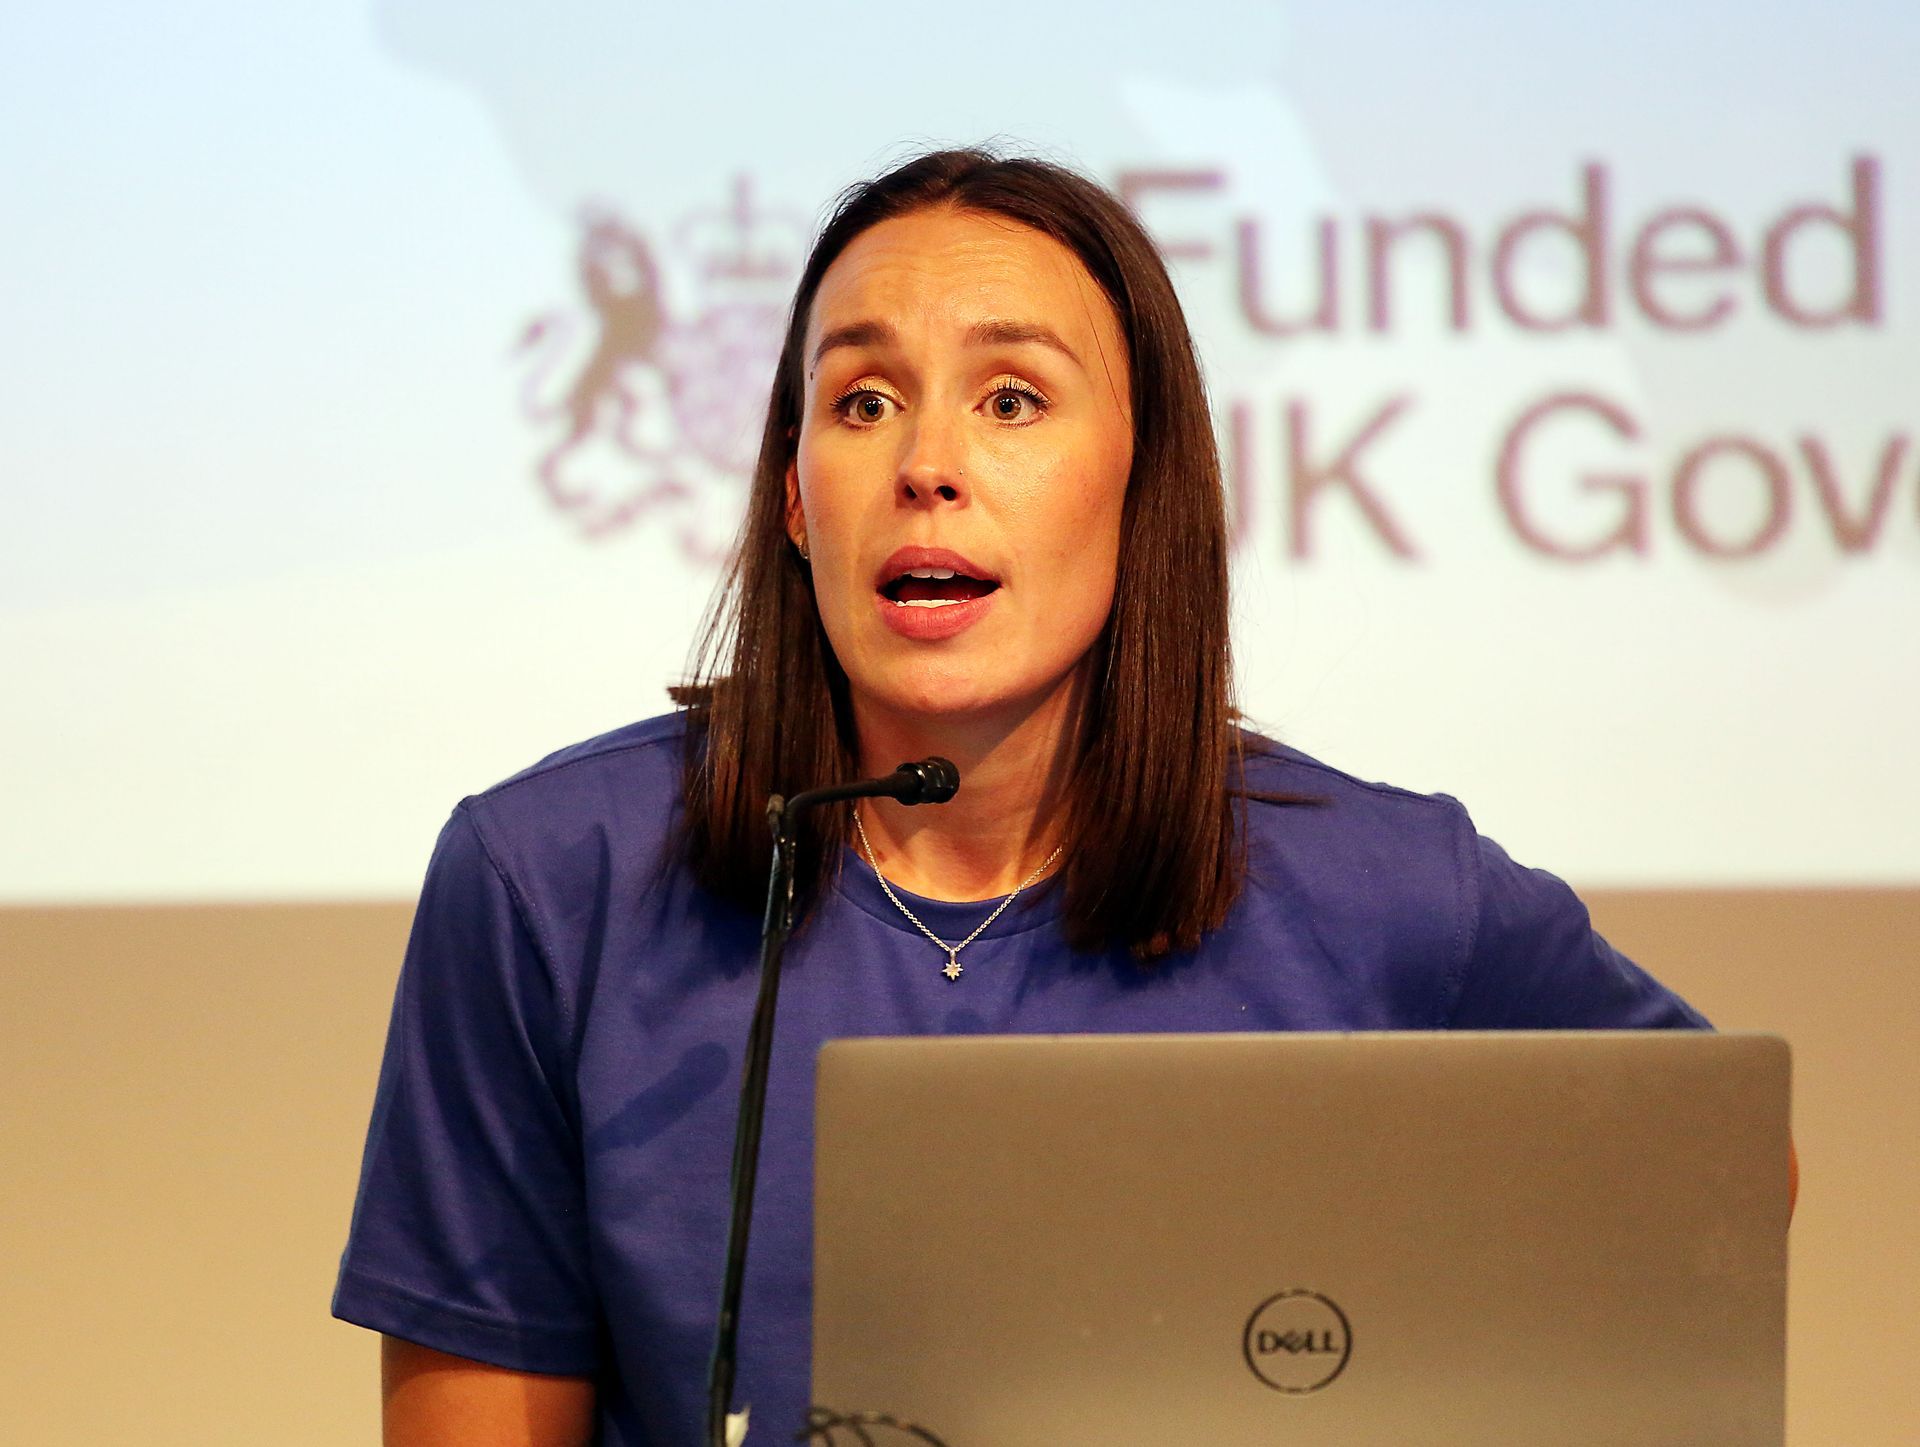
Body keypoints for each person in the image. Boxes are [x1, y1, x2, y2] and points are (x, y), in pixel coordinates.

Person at [333, 147, 1727, 1446]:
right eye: (862, 401)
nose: (926, 464)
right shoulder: (548, 878)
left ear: (1143, 485)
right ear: (797, 497)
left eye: (1011, 401)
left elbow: (1718, 1165)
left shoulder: (1391, 892)